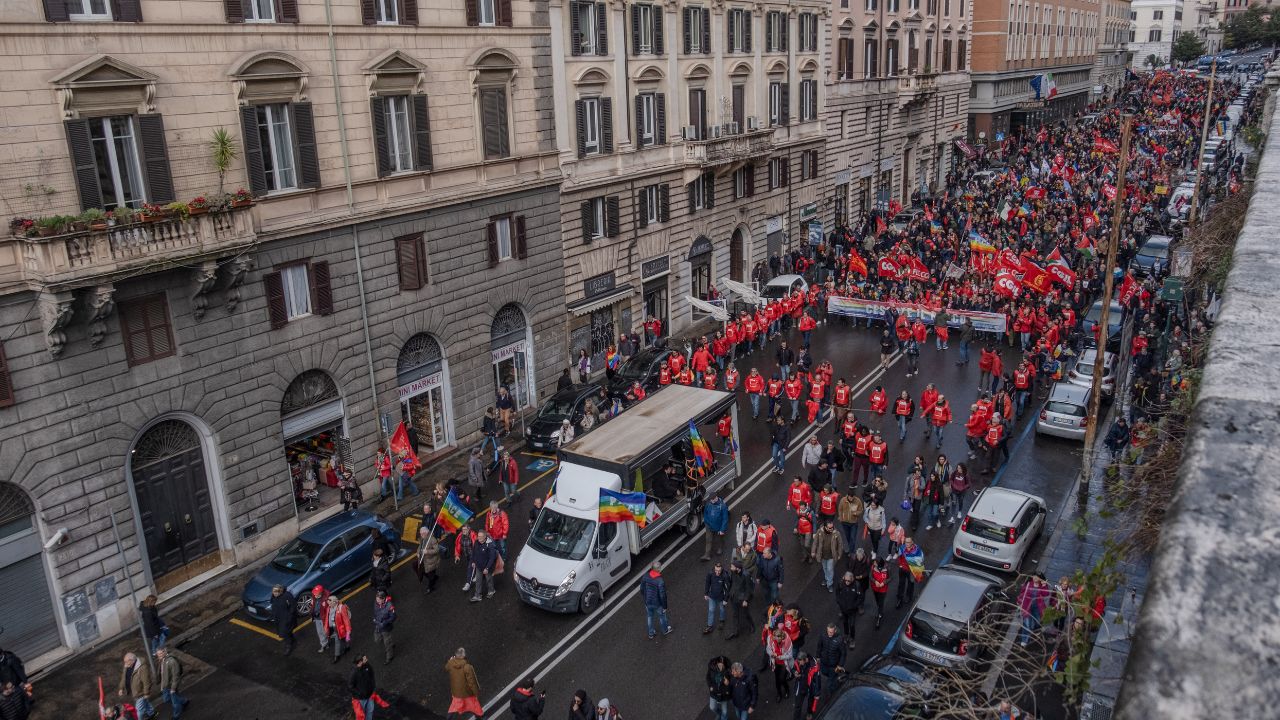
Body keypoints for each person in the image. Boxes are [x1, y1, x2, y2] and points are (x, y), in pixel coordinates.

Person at [444, 647, 483, 719]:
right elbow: (472, 681)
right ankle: (480, 718)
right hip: (466, 692)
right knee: (474, 705)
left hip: (456, 692)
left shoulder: (451, 664)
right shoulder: (467, 667)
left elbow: (446, 668)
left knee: (454, 707)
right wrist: (476, 692)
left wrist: (451, 661)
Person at [640, 561, 672, 639]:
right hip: (657, 604)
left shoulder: (645, 576)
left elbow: (642, 589)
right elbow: (662, 595)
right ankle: (665, 630)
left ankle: (651, 633)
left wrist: (645, 599)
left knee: (650, 616)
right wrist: (665, 606)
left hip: (648, 602)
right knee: (662, 617)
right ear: (658, 569)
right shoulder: (660, 580)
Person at [810, 520, 844, 591]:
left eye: (832, 527)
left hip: (831, 556)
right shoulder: (819, 532)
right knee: (825, 568)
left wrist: (839, 554)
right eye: (829, 528)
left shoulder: (836, 533)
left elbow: (840, 544)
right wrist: (813, 551)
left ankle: (829, 584)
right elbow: (815, 542)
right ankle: (826, 578)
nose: (831, 529)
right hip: (822, 555)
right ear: (825, 527)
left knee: (830, 569)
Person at [155, 647, 187, 720]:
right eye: (158, 654)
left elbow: (175, 676)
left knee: (175, 703)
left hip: (171, 685)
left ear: (165, 652)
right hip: (165, 685)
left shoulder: (172, 661)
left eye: (160, 653)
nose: (159, 655)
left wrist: (173, 688)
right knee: (166, 699)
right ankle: (184, 701)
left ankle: (176, 716)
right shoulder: (162, 660)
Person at [726, 560, 755, 639]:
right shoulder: (733, 572)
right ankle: (735, 632)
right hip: (734, 597)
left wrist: (746, 600)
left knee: (745, 614)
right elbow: (732, 583)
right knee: (735, 614)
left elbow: (749, 589)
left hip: (742, 599)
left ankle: (751, 626)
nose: (731, 568)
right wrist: (729, 593)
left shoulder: (746, 575)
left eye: (732, 567)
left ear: (738, 568)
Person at [765, 628, 794, 703]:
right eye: (775, 636)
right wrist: (772, 654)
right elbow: (768, 649)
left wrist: (779, 657)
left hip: (784, 663)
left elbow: (790, 655)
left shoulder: (787, 642)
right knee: (777, 679)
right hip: (776, 663)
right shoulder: (771, 640)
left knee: (782, 679)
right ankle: (779, 694)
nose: (776, 639)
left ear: (782, 637)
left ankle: (787, 690)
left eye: (778, 637)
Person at [468, 530, 499, 602]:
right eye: (478, 536)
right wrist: (473, 561)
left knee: (489, 579)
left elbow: (492, 558)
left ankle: (491, 591)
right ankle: (478, 596)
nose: (479, 538)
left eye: (481, 536)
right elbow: (474, 552)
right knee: (478, 581)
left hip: (487, 567)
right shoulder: (476, 542)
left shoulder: (490, 545)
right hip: (478, 566)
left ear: (485, 537)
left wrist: (487, 568)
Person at [322, 594, 353, 663]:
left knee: (339, 640)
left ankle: (337, 655)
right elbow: (327, 618)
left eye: (330, 603)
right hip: (334, 628)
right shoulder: (329, 608)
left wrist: (348, 631)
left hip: (340, 629)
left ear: (334, 602)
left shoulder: (341, 608)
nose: (329, 605)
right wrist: (326, 628)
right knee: (342, 639)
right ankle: (347, 647)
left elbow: (346, 620)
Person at [269, 584, 297, 656]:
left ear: (280, 591)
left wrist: (289, 617)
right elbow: (272, 603)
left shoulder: (287, 596)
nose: (274, 593)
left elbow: (293, 606)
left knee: (284, 633)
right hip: (278, 618)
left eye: (276, 592)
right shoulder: (274, 596)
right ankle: (292, 640)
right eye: (274, 592)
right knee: (286, 632)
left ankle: (289, 646)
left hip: (285, 619)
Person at [791, 652, 821, 720]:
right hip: (800, 686)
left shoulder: (814, 667)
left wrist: (817, 693)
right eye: (798, 661)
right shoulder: (799, 660)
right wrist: (794, 672)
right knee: (797, 705)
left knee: (810, 703)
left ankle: (809, 713)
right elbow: (793, 668)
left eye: (800, 661)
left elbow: (817, 681)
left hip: (810, 688)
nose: (799, 663)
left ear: (805, 659)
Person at [703, 562, 730, 634]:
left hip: (721, 597)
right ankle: (709, 626)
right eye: (716, 570)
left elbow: (727, 589)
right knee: (711, 610)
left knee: (722, 609)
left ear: (722, 569)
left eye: (719, 571)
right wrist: (706, 593)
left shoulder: (725, 576)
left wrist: (726, 599)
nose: (717, 572)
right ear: (714, 569)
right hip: (712, 596)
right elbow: (707, 583)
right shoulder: (710, 573)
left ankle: (721, 620)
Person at [701, 493, 730, 560]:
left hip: (718, 527)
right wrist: (706, 522)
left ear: (716, 498)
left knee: (719, 538)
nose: (711, 501)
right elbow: (705, 513)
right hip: (709, 526)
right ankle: (707, 555)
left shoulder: (722, 506)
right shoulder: (708, 503)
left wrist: (722, 529)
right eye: (710, 500)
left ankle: (720, 548)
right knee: (708, 540)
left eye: (712, 499)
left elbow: (725, 519)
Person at [371, 590, 396, 665]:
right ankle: (391, 643)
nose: (377, 601)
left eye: (378, 600)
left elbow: (393, 617)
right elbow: (375, 612)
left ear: (383, 598)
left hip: (385, 627)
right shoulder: (376, 603)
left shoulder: (389, 606)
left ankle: (389, 657)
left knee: (386, 643)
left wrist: (384, 623)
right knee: (377, 640)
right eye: (376, 599)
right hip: (378, 625)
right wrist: (374, 619)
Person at [350, 654, 377, 720]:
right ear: (360, 662)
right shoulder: (354, 673)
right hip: (361, 699)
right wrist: (360, 693)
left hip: (370, 695)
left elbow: (372, 674)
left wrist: (373, 686)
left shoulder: (367, 666)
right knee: (361, 715)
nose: (367, 660)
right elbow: (350, 686)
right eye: (365, 659)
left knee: (370, 711)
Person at [414, 528, 441, 593]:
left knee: (430, 574)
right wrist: (418, 552)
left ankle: (430, 588)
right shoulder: (423, 538)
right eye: (420, 534)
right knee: (415, 565)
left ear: (426, 533)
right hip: (424, 559)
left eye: (422, 534)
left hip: (431, 560)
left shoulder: (432, 539)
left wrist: (427, 551)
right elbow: (420, 547)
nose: (421, 535)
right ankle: (434, 577)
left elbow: (437, 550)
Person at [706, 656, 733, 720]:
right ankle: (719, 714)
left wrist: (728, 683)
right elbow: (708, 677)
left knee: (725, 711)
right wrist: (710, 686)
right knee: (712, 707)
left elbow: (733, 682)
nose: (721, 665)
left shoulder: (729, 671)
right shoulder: (712, 669)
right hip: (714, 692)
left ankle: (724, 718)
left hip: (724, 695)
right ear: (717, 663)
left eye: (722, 664)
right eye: (719, 663)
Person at [870, 557, 889, 628]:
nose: (874, 563)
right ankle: (879, 609)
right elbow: (870, 576)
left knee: (881, 602)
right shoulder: (873, 567)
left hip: (883, 589)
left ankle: (879, 615)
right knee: (877, 601)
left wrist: (884, 583)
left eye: (875, 562)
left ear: (879, 563)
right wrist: (875, 581)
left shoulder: (887, 568)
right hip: (875, 588)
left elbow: (890, 577)